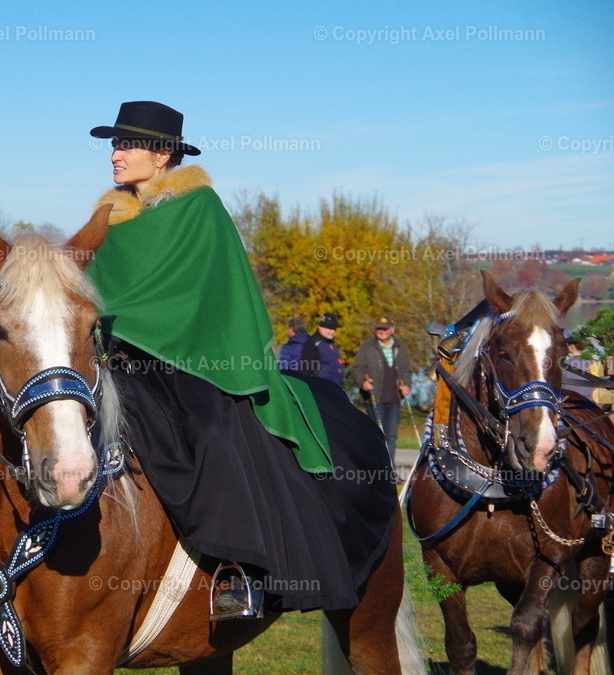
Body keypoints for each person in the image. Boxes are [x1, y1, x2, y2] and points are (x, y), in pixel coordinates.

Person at [86, 101, 395, 616]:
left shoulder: (199, 208)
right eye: (114, 145)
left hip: (197, 363)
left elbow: (209, 295)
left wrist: (145, 322)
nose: (115, 154)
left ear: (162, 155)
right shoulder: (107, 221)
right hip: (119, 365)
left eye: (127, 144)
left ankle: (238, 569)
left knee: (214, 435)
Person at [348, 315, 413, 458]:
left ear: (392, 329)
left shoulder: (400, 346)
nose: (381, 331)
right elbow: (356, 368)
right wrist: (362, 382)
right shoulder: (368, 346)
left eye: (384, 328)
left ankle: (389, 470)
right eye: (379, 328)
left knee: (391, 438)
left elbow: (407, 370)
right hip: (374, 399)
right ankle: (375, 468)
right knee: (377, 436)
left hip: (395, 399)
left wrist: (407, 385)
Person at [300, 313, 345, 386]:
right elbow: (306, 371)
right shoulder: (312, 344)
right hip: (321, 390)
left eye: (334, 329)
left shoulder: (331, 344)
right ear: (320, 327)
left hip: (335, 389)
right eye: (329, 328)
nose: (332, 331)